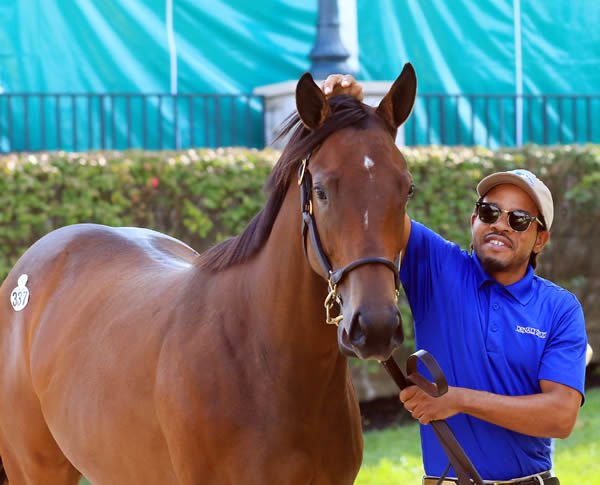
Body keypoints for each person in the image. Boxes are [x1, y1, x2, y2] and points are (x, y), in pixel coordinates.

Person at [321, 75, 588, 484]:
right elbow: (370, 190)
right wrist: (349, 116)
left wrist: (458, 401)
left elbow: (560, 415)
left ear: (541, 239)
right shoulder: (436, 264)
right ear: (473, 219)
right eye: (488, 212)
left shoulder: (560, 308)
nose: (500, 225)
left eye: (518, 219)